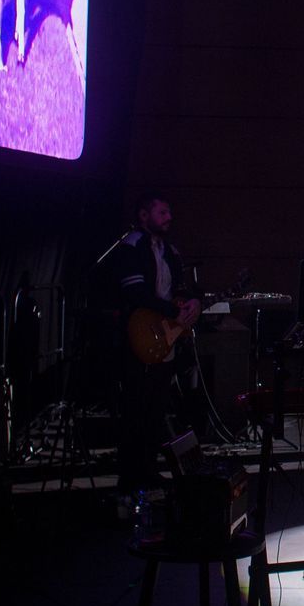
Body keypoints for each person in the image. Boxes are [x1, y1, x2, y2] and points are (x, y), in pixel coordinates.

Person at [106, 193, 203, 500]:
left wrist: (193, 302)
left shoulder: (171, 252)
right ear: (144, 215)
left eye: (169, 212)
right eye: (162, 212)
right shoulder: (131, 247)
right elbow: (135, 292)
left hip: (164, 340)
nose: (168, 217)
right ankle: (129, 477)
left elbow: (180, 289)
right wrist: (173, 311)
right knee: (135, 409)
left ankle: (148, 471)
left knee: (156, 409)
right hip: (138, 337)